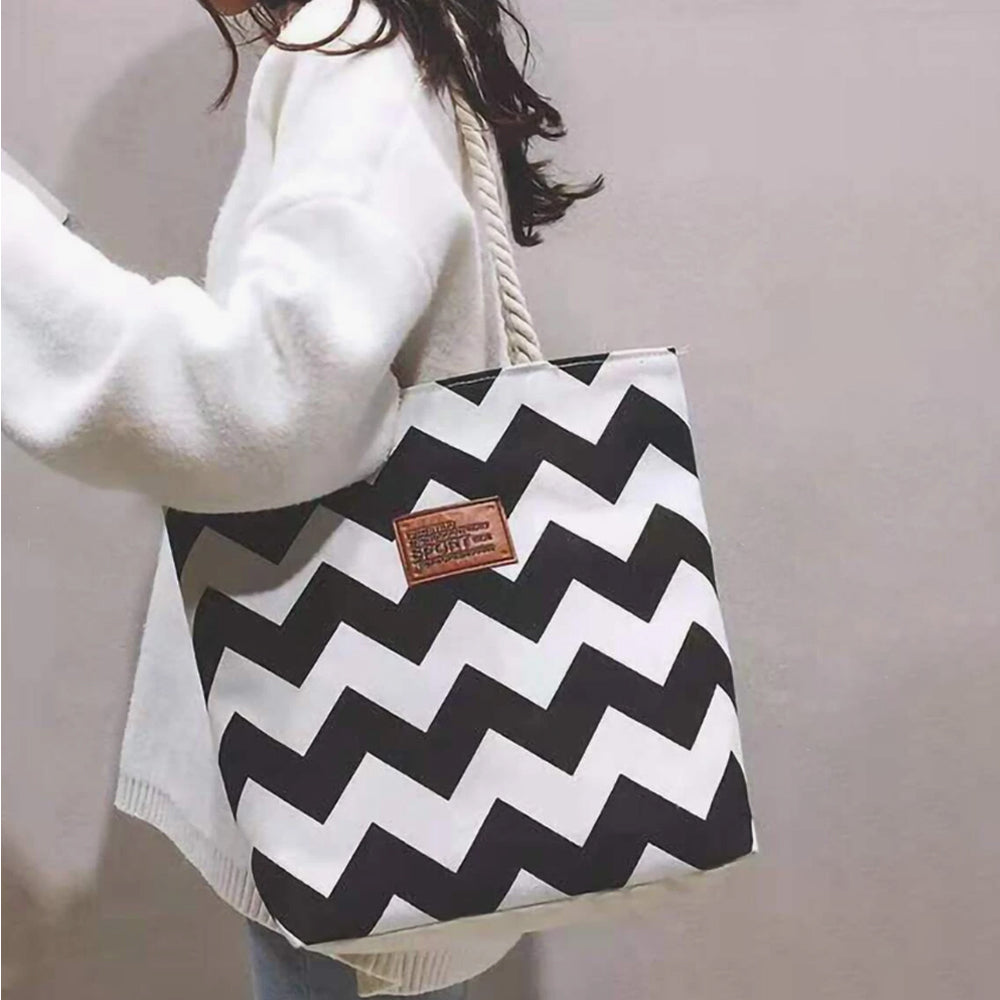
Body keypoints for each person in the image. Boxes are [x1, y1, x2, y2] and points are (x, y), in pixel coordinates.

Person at [1, 0, 600, 996]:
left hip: (364, 793)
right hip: (374, 766)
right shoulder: (392, 41)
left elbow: (267, 399)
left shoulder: (354, 50)